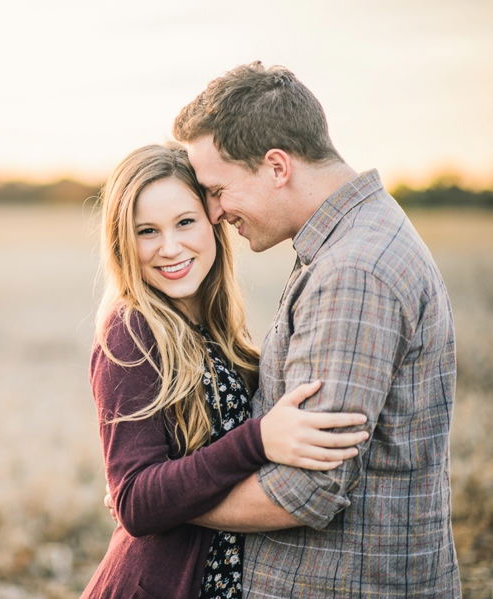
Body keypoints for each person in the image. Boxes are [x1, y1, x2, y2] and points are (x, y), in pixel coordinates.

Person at [166, 62, 460, 597]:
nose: (212, 213)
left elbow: (306, 491)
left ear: (277, 166)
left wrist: (161, 503)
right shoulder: (352, 239)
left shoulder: (353, 270)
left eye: (217, 189)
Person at [83, 143, 369, 599]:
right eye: (147, 231)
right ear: (123, 241)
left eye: (185, 222)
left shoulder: (210, 325)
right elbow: (135, 501)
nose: (170, 247)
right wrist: (257, 441)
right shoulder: (131, 329)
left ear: (214, 221)